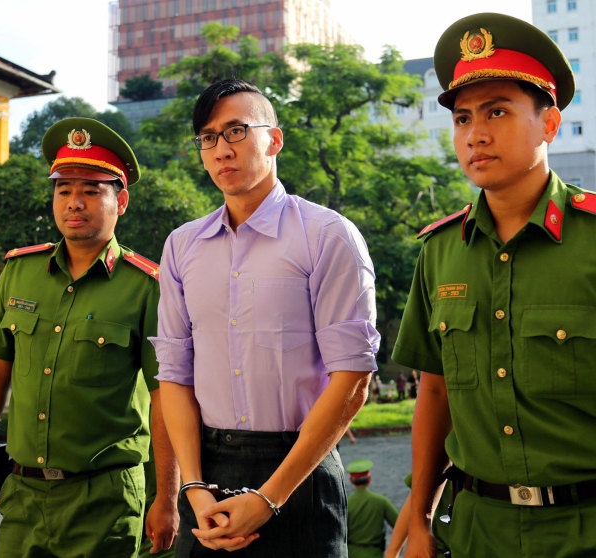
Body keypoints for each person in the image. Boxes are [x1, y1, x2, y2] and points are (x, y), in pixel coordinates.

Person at [392, 12, 596, 558]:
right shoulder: (440, 253)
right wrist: (416, 521)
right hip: (477, 529)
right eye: (462, 118)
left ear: (550, 124)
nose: (475, 134)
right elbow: (433, 392)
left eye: (498, 112)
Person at [152, 78, 379, 556]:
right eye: (208, 138)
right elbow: (173, 375)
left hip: (300, 471)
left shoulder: (327, 235)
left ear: (274, 139)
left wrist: (268, 498)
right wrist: (192, 487)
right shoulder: (181, 246)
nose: (220, 149)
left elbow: (353, 379)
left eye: (236, 131)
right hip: (207, 475)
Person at [0, 117, 179, 557]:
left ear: (121, 201)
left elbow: (166, 396)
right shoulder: (20, 272)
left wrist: (166, 497)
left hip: (105, 501)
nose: (75, 202)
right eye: (64, 189)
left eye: (91, 191)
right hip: (23, 496)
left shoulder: (148, 287)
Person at [346, 459, 399, 558]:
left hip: (351, 553)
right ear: (369, 479)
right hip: (375, 553)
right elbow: (400, 524)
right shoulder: (381, 501)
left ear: (351, 481)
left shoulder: (346, 503)